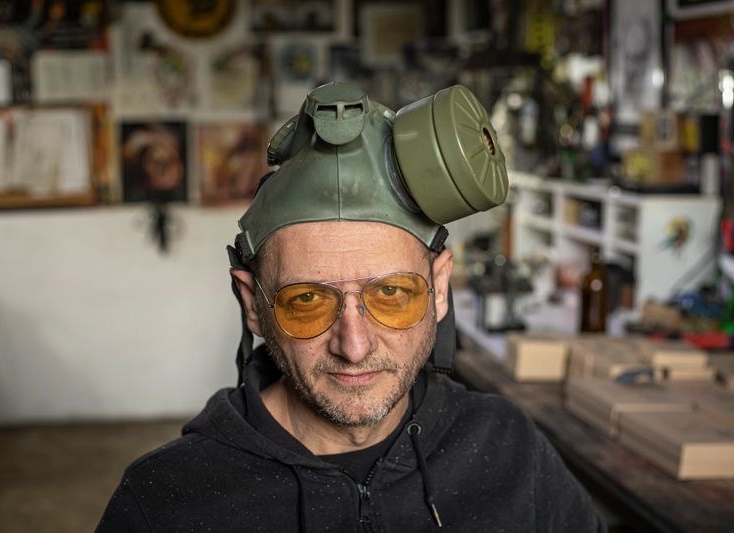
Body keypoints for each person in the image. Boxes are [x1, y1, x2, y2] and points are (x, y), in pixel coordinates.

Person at [97, 83, 604, 532]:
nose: (354, 346)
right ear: (253, 304)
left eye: (392, 294)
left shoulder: (508, 451)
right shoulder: (166, 503)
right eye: (307, 301)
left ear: (440, 288)